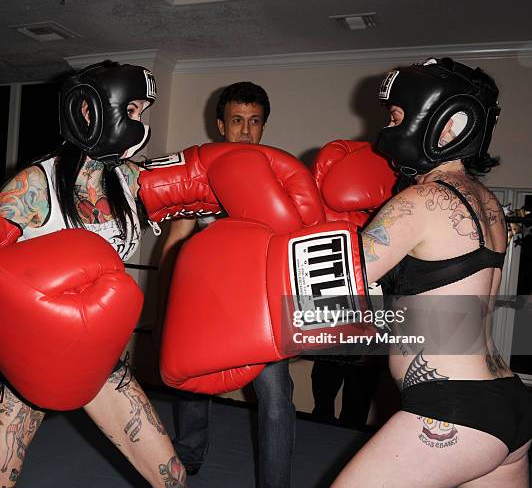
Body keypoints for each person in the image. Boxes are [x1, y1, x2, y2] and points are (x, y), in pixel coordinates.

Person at [0, 61, 185, 487]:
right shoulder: (33, 186)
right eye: (134, 111)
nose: (140, 125)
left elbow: (197, 188)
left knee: (172, 478)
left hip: (101, 362)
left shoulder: (130, 181)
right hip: (27, 363)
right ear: (92, 112)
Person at [331, 58, 532, 487]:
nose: (388, 128)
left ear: (446, 123)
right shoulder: (488, 203)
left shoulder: (419, 201)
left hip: (454, 410)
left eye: (396, 116)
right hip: (508, 400)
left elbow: (328, 297)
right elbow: (439, 315)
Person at [158, 82, 297, 486]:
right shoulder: (200, 176)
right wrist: (167, 304)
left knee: (275, 397)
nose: (245, 130)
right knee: (194, 381)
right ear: (221, 124)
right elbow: (177, 240)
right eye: (237, 120)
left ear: (264, 126)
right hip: (209, 301)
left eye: (254, 122)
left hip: (263, 307)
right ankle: (190, 452)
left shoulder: (280, 177)